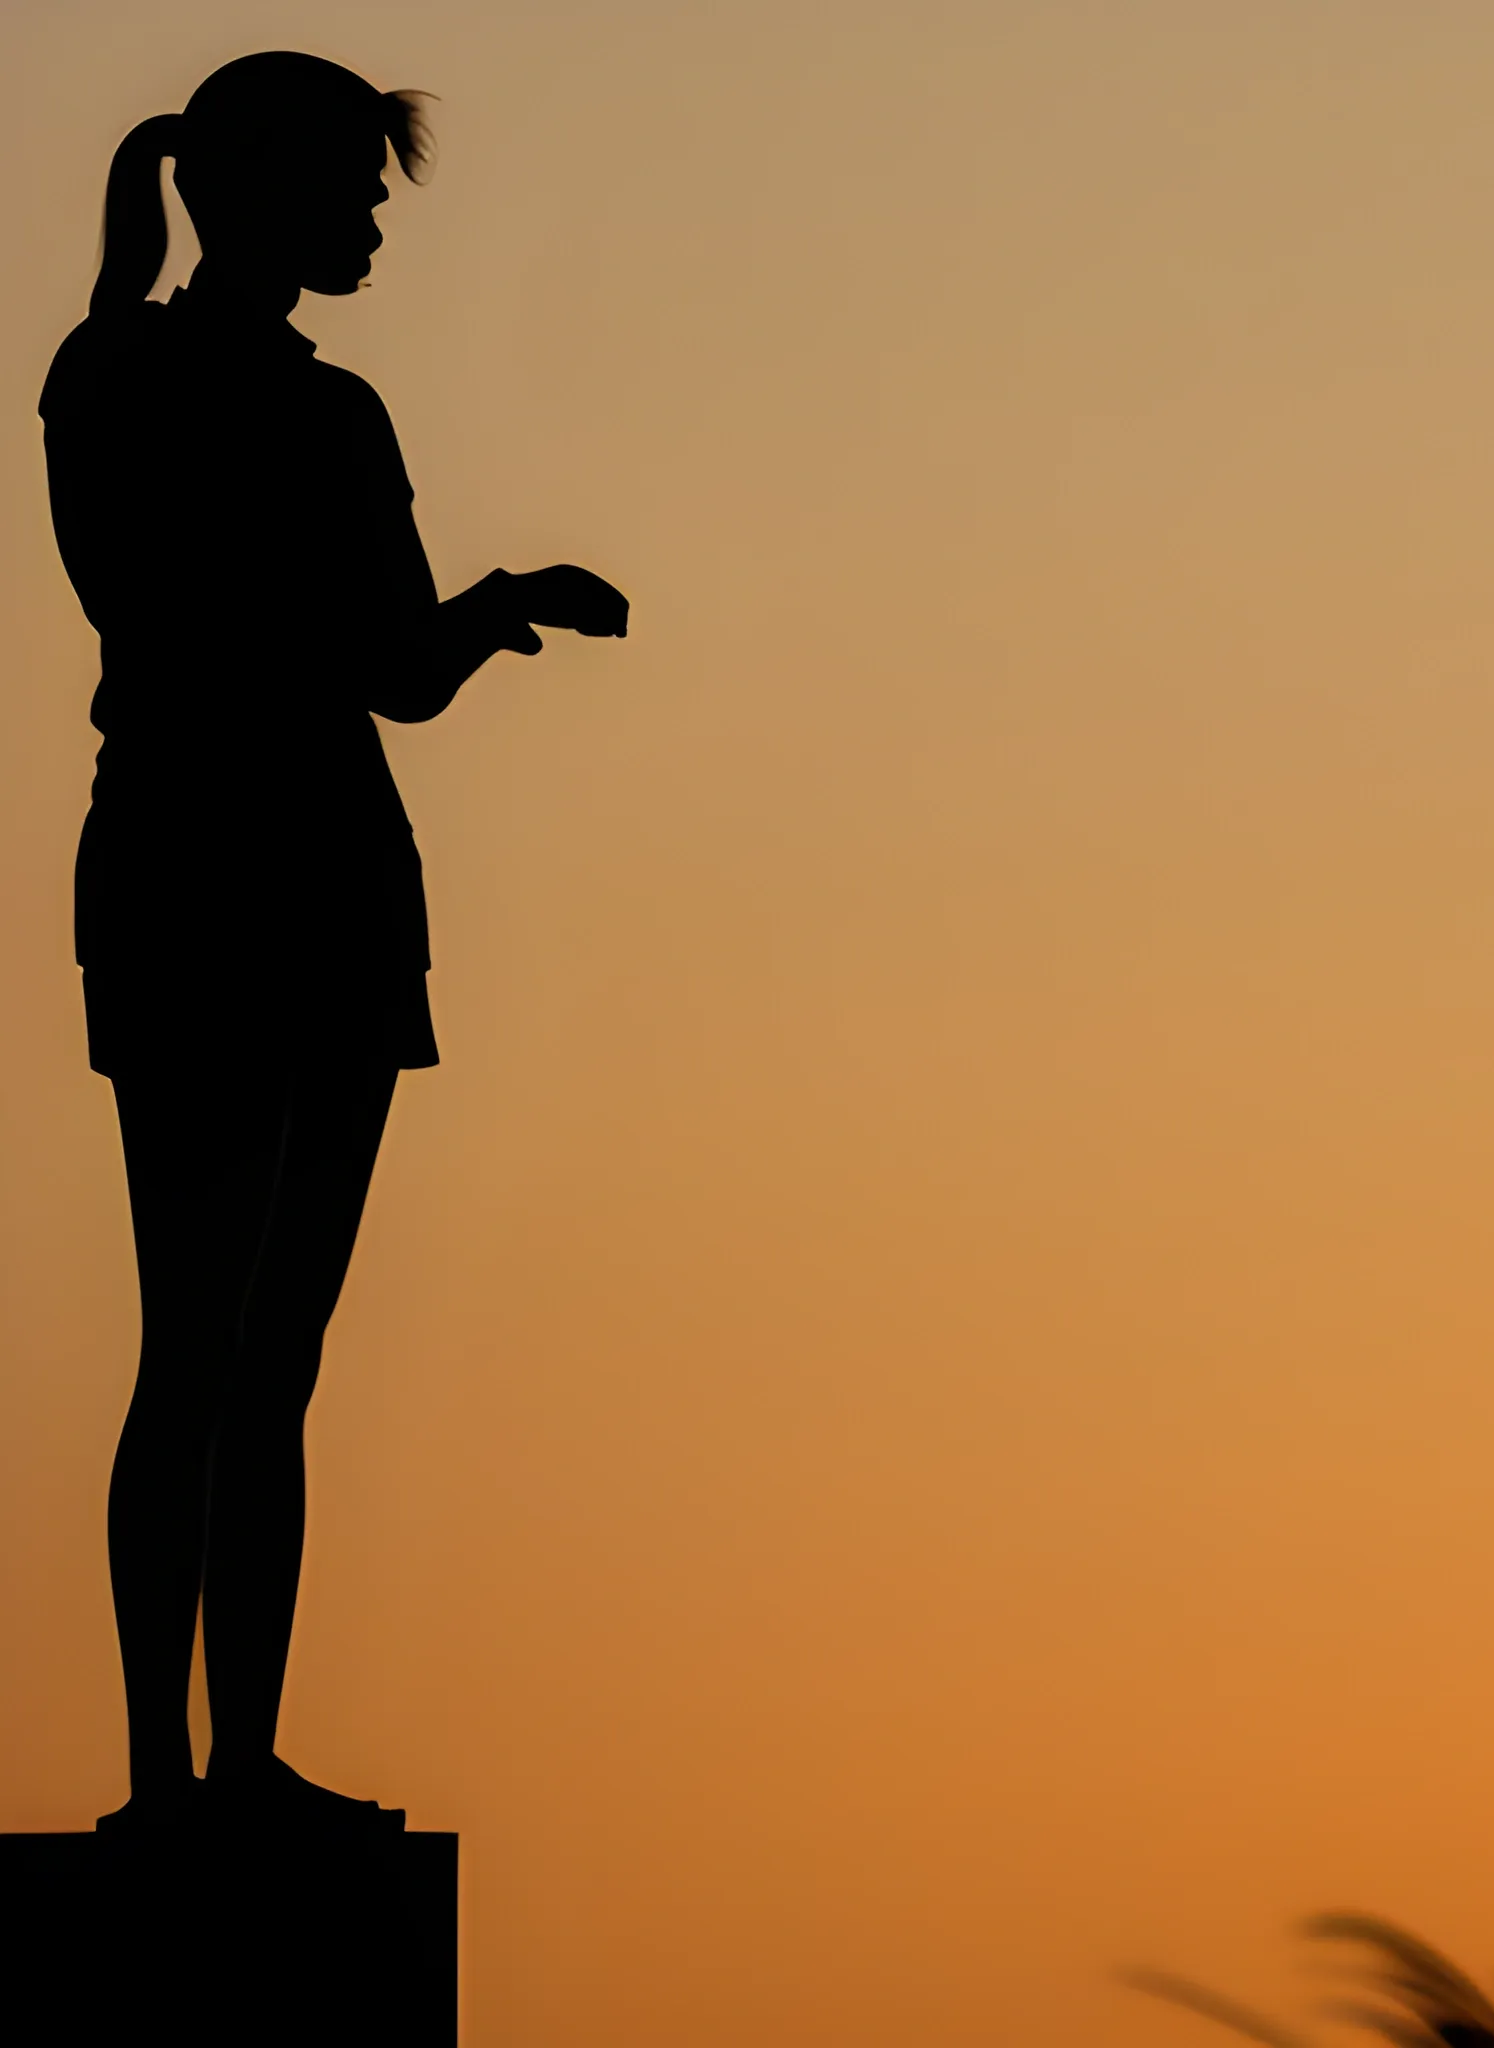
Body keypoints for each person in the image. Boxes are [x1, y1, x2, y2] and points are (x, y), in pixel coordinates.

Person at [38, 50, 629, 1833]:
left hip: (175, 865)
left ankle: (188, 1775)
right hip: (290, 879)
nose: (376, 220)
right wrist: (502, 609)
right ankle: (208, 1774)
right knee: (249, 1360)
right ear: (270, 191)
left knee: (204, 1352)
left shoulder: (98, 372)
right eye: (358, 190)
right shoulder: (314, 414)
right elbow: (392, 674)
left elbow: (166, 614)